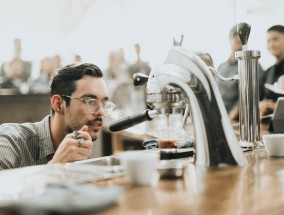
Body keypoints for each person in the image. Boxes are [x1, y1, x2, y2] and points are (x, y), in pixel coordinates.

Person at [0, 63, 116, 170]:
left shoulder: (88, 148)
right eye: (90, 101)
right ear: (58, 104)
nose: (101, 112)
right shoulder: (11, 140)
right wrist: (55, 166)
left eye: (104, 103)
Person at [216, 25, 264, 121]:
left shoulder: (252, 64)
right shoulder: (221, 66)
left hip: (239, 119)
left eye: (241, 36)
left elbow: (249, 95)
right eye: (235, 35)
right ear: (230, 38)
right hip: (219, 115)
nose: (238, 38)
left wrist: (230, 119)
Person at [259, 25, 284, 118]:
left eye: (275, 39)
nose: (271, 44)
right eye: (268, 41)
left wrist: (275, 106)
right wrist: (263, 104)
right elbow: (262, 97)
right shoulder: (268, 71)